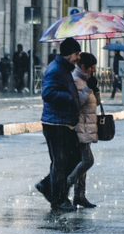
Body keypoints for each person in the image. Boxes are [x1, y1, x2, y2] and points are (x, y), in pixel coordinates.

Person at [35, 37, 82, 212]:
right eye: (77, 54)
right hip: (55, 123)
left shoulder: (65, 69)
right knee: (60, 161)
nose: (79, 57)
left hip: (63, 122)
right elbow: (48, 94)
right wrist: (71, 98)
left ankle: (48, 186)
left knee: (74, 158)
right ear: (69, 54)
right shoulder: (55, 70)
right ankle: (58, 200)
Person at [69, 52, 100, 208]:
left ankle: (79, 196)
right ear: (83, 67)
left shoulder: (88, 80)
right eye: (91, 68)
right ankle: (67, 182)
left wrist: (96, 88)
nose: (93, 71)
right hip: (79, 128)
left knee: (82, 162)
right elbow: (76, 104)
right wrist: (88, 88)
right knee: (88, 161)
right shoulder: (75, 80)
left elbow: (98, 103)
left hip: (87, 126)